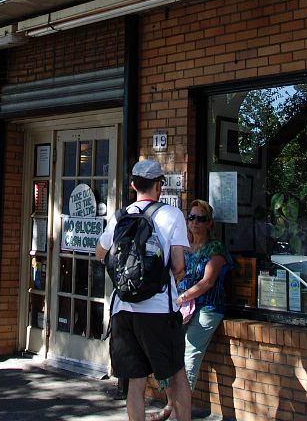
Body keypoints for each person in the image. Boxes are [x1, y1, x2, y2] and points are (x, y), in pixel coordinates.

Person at [96, 159, 191, 421]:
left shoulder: (120, 216)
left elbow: (99, 253)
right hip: (160, 310)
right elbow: (179, 266)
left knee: (136, 383)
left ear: (133, 185)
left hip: (123, 310)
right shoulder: (172, 215)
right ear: (160, 185)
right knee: (176, 375)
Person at [174, 201, 232, 400]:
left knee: (189, 354)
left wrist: (182, 297)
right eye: (192, 218)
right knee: (169, 349)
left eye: (201, 218)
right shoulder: (184, 245)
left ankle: (181, 408)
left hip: (207, 306)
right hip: (182, 308)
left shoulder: (215, 248)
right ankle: (171, 401)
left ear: (210, 223)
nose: (195, 222)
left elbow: (207, 282)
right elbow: (175, 273)